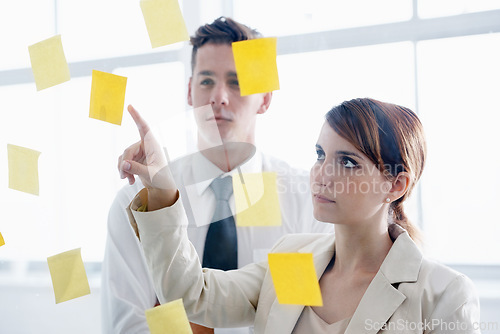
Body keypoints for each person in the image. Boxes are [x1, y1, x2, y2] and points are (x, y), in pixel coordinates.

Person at [120, 98, 481, 333]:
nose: (322, 174)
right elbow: (190, 294)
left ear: (396, 185)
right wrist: (163, 188)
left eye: (348, 162)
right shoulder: (293, 260)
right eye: (321, 154)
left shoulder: (442, 295)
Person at [101, 17, 333, 334]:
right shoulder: (138, 203)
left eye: (237, 82)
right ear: (189, 92)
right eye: (207, 81)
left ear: (265, 98)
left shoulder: (307, 199)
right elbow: (127, 326)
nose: (219, 97)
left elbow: (310, 321)